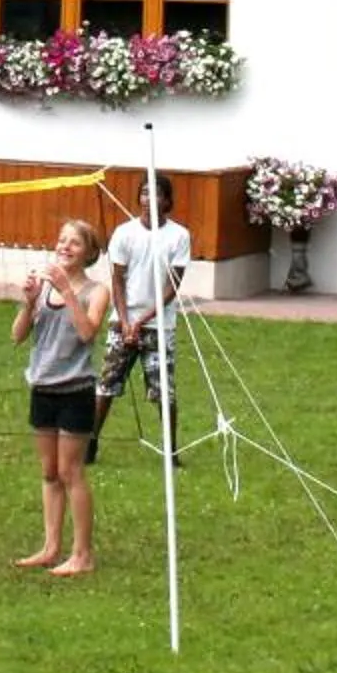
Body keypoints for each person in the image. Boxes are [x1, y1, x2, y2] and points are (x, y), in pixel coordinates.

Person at [13, 217, 110, 575]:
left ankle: (82, 554)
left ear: (88, 253)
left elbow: (87, 332)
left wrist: (67, 292)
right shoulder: (42, 286)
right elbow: (17, 336)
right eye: (62, 240)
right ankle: (51, 547)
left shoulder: (95, 291)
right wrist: (28, 301)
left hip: (76, 390)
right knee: (50, 471)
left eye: (74, 242)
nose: (65, 246)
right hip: (42, 387)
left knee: (71, 472)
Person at [93, 174, 193, 465]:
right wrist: (125, 321)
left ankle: (171, 451)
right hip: (122, 322)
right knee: (107, 384)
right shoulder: (124, 233)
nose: (150, 199)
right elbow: (118, 281)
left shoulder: (179, 236)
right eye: (145, 193)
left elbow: (172, 287)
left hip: (159, 325)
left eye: (157, 194)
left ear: (167, 200)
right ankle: (91, 443)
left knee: (164, 391)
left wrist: (143, 320)